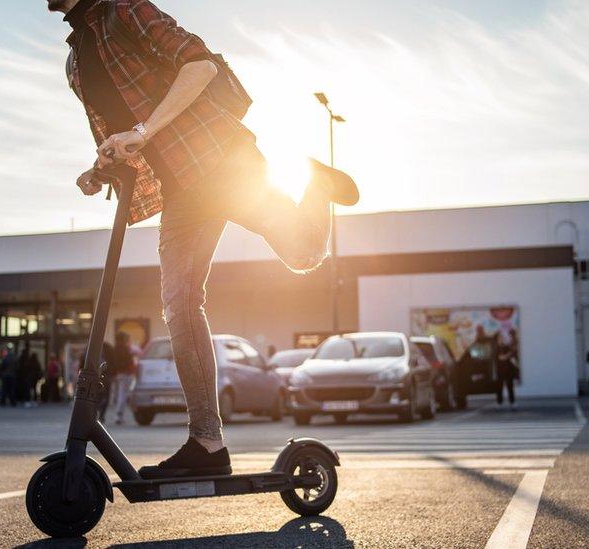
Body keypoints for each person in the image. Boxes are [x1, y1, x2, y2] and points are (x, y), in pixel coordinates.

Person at [49, 0, 358, 479]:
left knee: (304, 254)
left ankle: (314, 185)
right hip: (180, 192)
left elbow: (200, 65)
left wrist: (143, 130)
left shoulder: (123, 11)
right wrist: (101, 168)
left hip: (222, 163)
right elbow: (123, 131)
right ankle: (207, 442)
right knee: (179, 303)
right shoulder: (76, 60)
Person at [102, 332, 138, 425]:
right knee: (123, 395)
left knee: (119, 394)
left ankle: (120, 415)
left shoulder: (114, 349)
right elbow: (129, 361)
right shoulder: (125, 349)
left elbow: (113, 363)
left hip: (118, 375)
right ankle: (119, 415)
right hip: (126, 374)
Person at [496, 330, 519, 410]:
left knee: (510, 386)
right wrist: (505, 356)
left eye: (502, 337)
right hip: (500, 370)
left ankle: (512, 402)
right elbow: (499, 357)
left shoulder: (507, 347)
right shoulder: (497, 348)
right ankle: (499, 402)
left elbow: (512, 353)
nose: (501, 339)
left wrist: (507, 356)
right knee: (499, 387)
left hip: (509, 370)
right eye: (500, 337)